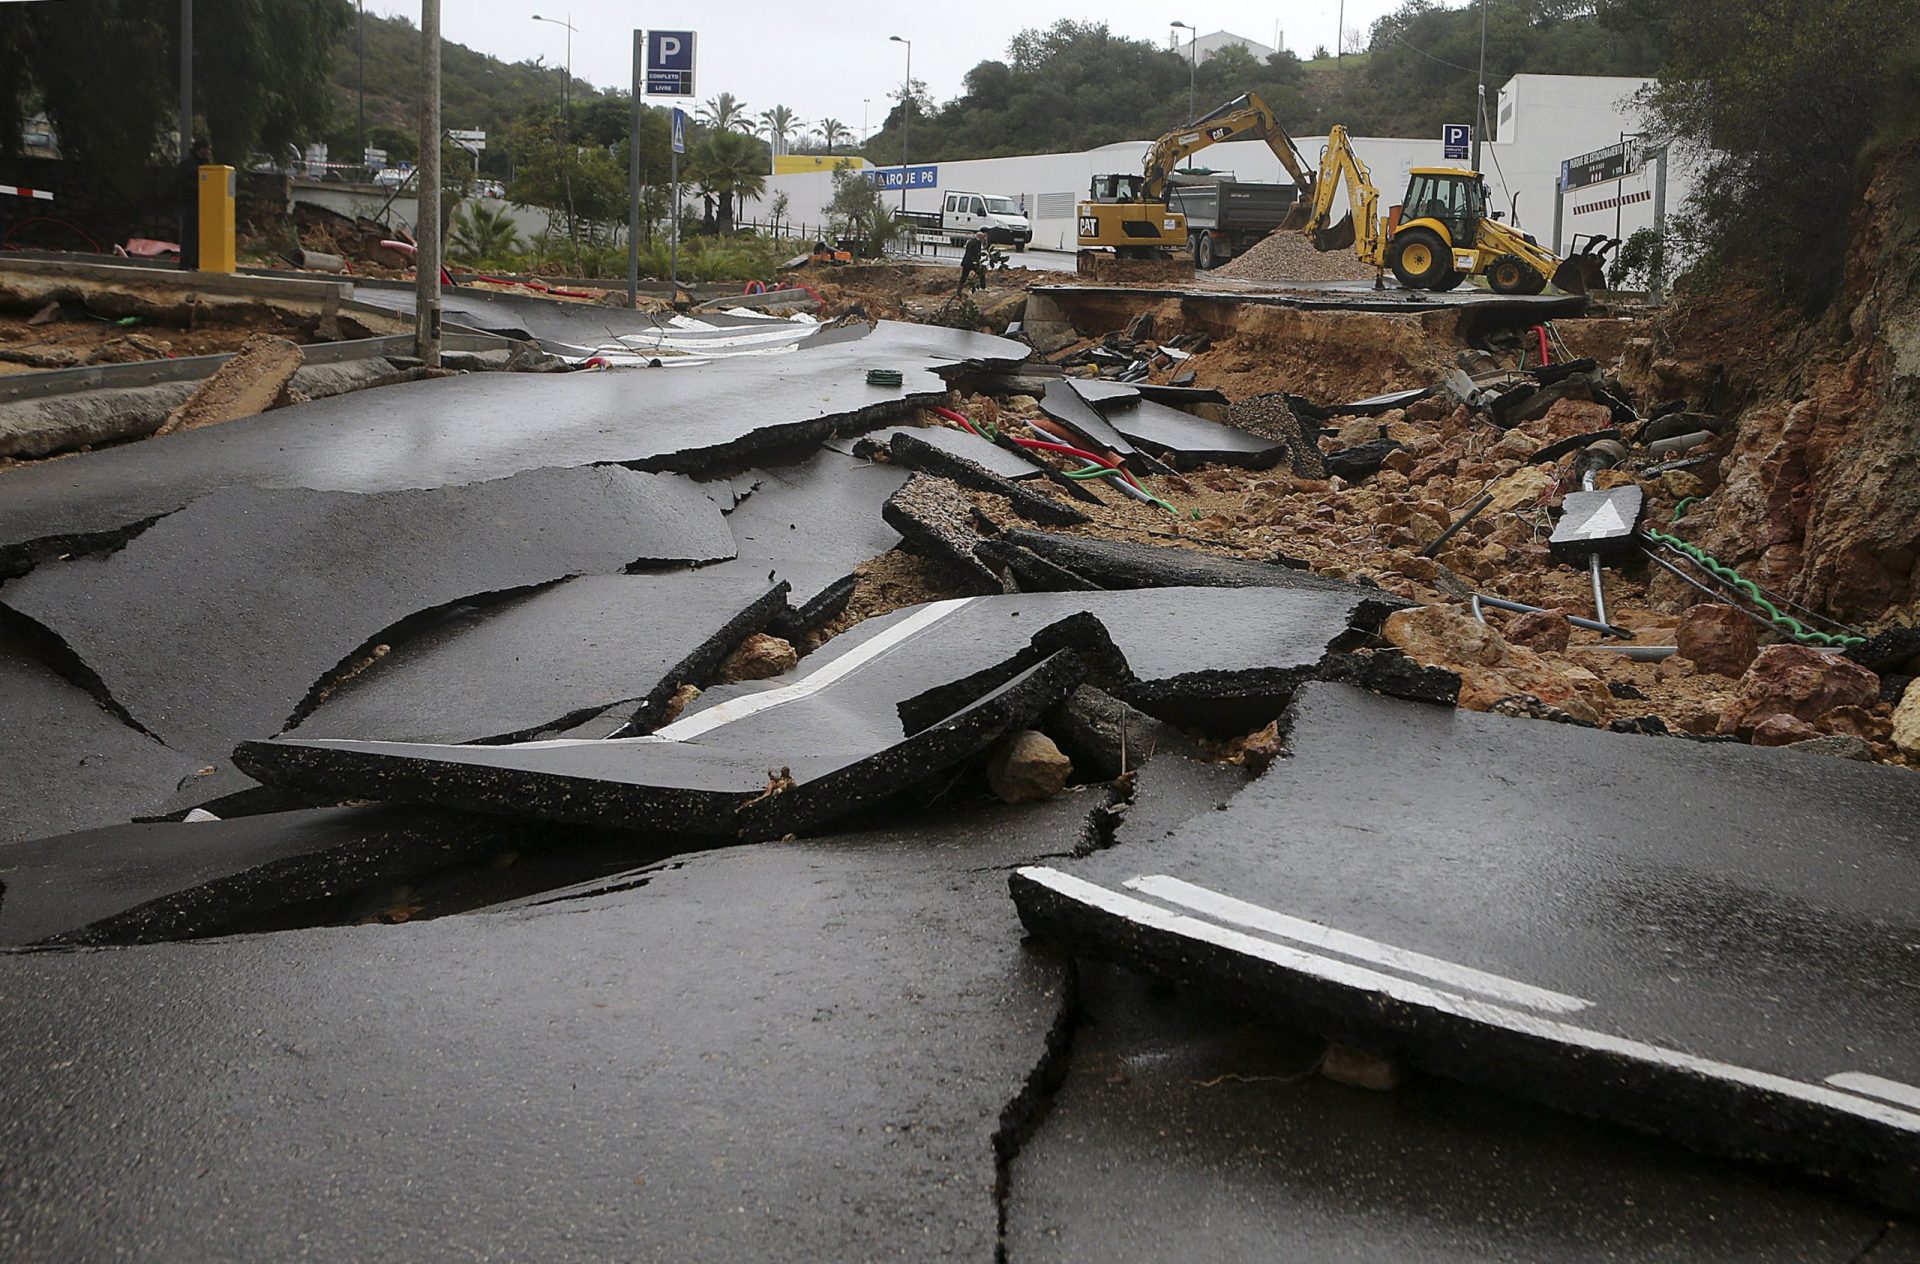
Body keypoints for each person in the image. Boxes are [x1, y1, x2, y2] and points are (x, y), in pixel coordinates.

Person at [956, 228, 989, 296]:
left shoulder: (971, 241)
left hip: (966, 262)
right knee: (981, 273)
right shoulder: (977, 243)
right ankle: (983, 288)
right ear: (980, 237)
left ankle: (958, 291)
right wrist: (977, 262)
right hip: (972, 263)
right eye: (983, 237)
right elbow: (977, 253)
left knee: (963, 277)